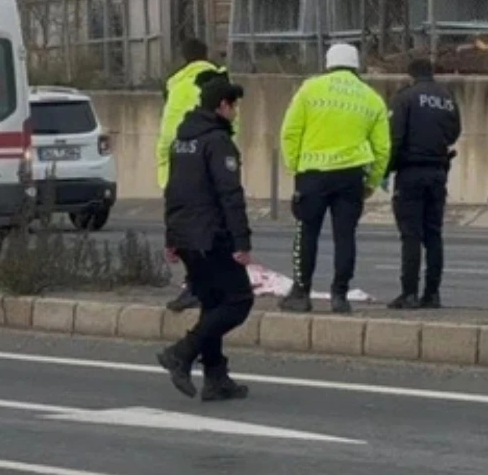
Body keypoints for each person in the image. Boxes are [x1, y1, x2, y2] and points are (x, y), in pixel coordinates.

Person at [157, 77, 254, 402]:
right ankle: (181, 353)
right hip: (211, 236)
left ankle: (216, 377)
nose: (236, 113)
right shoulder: (217, 142)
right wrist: (241, 242)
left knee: (212, 303)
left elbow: (172, 191)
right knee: (239, 301)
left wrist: (172, 237)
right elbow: (230, 194)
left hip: (186, 235)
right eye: (234, 106)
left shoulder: (181, 141)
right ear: (222, 106)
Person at [278, 43, 390, 314]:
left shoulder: (310, 89)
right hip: (351, 176)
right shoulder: (371, 98)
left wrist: (296, 168)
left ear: (328, 64)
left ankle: (301, 293)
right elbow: (383, 148)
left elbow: (290, 133)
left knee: (307, 233)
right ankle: (339, 295)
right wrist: (372, 183)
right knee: (345, 236)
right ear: (356, 65)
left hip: (312, 175)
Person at [156, 39, 229, 314]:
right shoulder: (221, 80)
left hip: (179, 158)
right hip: (212, 156)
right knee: (213, 224)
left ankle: (194, 285)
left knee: (181, 227)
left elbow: (167, 128)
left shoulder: (174, 84)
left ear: (183, 57)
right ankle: (205, 284)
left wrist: (163, 166)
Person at [385, 57, 461, 310]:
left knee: (411, 236)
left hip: (411, 172)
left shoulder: (405, 97)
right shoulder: (446, 96)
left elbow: (395, 137)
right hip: (438, 171)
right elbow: (454, 133)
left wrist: (386, 169)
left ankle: (409, 293)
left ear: (411, 74)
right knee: (433, 235)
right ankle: (432, 293)